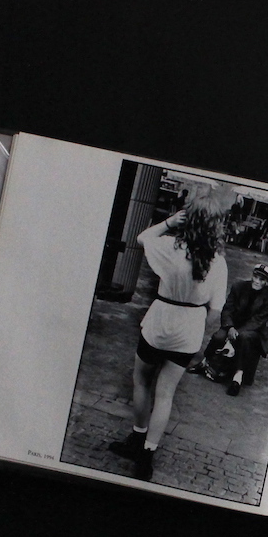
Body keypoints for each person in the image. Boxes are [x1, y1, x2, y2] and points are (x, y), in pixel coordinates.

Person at [108, 201, 228, 481]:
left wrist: (169, 222)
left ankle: (137, 437)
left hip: (160, 321)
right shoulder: (218, 262)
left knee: (141, 381)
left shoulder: (170, 247)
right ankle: (147, 454)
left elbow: (142, 238)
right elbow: (216, 311)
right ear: (216, 227)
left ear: (187, 220)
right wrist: (196, 326)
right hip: (189, 330)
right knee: (165, 394)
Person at [188, 263, 268, 396]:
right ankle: (204, 362)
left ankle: (238, 377)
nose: (257, 281)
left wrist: (237, 332)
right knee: (219, 336)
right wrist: (230, 327)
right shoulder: (239, 287)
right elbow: (228, 309)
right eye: (255, 277)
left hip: (254, 330)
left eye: (262, 279)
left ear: (267, 282)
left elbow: (259, 320)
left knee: (244, 338)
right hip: (233, 325)